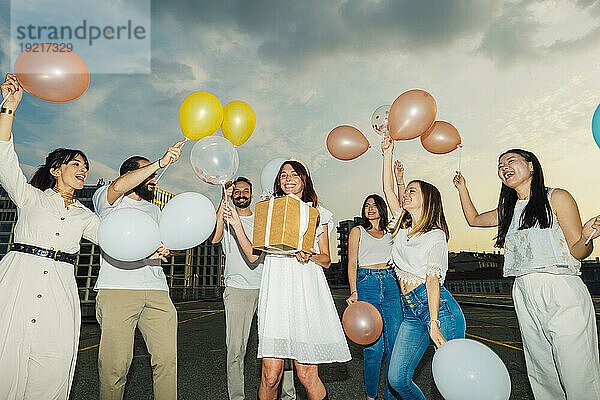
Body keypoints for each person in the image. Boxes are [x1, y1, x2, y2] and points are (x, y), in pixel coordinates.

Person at [453, 149, 600, 399]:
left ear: (531, 166)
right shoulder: (508, 210)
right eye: (500, 165)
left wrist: (586, 236)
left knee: (577, 369)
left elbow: (578, 251)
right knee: (542, 372)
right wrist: (461, 188)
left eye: (511, 161)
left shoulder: (557, 197)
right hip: (523, 290)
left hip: (560, 286)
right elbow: (474, 219)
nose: (503, 167)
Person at [0, 73, 100, 399]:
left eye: (86, 166)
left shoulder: (86, 216)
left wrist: (150, 250)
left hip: (60, 291)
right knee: (6, 362)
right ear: (56, 170)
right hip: (17, 283)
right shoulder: (30, 198)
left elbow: (116, 241)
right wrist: (9, 107)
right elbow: (4, 160)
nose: (83, 169)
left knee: (52, 367)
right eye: (76, 164)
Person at [224, 160, 351, 400]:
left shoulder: (317, 213)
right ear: (278, 182)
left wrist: (310, 254)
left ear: (304, 180)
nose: (288, 178)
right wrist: (236, 224)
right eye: (283, 175)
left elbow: (326, 259)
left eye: (294, 174)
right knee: (270, 376)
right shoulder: (269, 210)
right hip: (276, 295)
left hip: (305, 293)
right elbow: (253, 255)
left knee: (306, 376)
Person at [92, 144, 182, 400]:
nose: (153, 179)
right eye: (147, 174)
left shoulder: (156, 210)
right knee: (115, 368)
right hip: (117, 290)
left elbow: (166, 247)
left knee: (166, 362)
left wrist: (170, 250)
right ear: (131, 175)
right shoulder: (108, 200)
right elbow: (118, 187)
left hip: (157, 292)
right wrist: (159, 163)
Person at [381, 136, 465, 400]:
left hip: (438, 310)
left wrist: (434, 322)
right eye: (406, 191)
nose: (405, 194)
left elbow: (432, 280)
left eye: (412, 191)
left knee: (454, 378)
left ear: (426, 199)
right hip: (409, 310)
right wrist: (387, 153)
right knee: (397, 378)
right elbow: (388, 192)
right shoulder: (401, 229)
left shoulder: (435, 235)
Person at [211, 176, 296, 400]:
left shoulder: (262, 218)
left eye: (245, 191)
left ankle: (288, 394)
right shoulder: (227, 218)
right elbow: (214, 238)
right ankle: (237, 397)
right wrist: (223, 200)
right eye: (236, 191)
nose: (241, 194)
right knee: (236, 350)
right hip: (238, 289)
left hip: (269, 287)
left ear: (251, 193)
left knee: (280, 347)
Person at [346, 194, 402, 400]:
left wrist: (400, 180)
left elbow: (402, 210)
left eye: (375, 205)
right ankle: (371, 396)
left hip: (391, 284)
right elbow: (352, 262)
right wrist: (354, 291)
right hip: (366, 284)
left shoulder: (392, 231)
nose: (370, 208)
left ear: (381, 208)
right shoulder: (357, 231)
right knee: (373, 349)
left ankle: (391, 396)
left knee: (394, 346)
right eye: (367, 205)